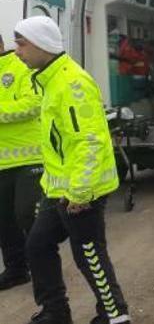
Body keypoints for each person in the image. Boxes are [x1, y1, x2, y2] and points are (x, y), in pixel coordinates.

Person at [14, 16, 130, 324]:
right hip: (58, 190)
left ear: (42, 45)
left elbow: (89, 142)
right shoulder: (49, 80)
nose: (17, 52)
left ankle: (115, 315)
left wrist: (79, 191)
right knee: (38, 245)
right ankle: (55, 311)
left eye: (21, 44)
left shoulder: (71, 84)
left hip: (81, 191)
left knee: (88, 253)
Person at [0, 34, 43, 291]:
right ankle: (16, 270)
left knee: (26, 215)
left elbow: (33, 104)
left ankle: (43, 269)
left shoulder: (20, 66)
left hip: (29, 158)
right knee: (3, 220)